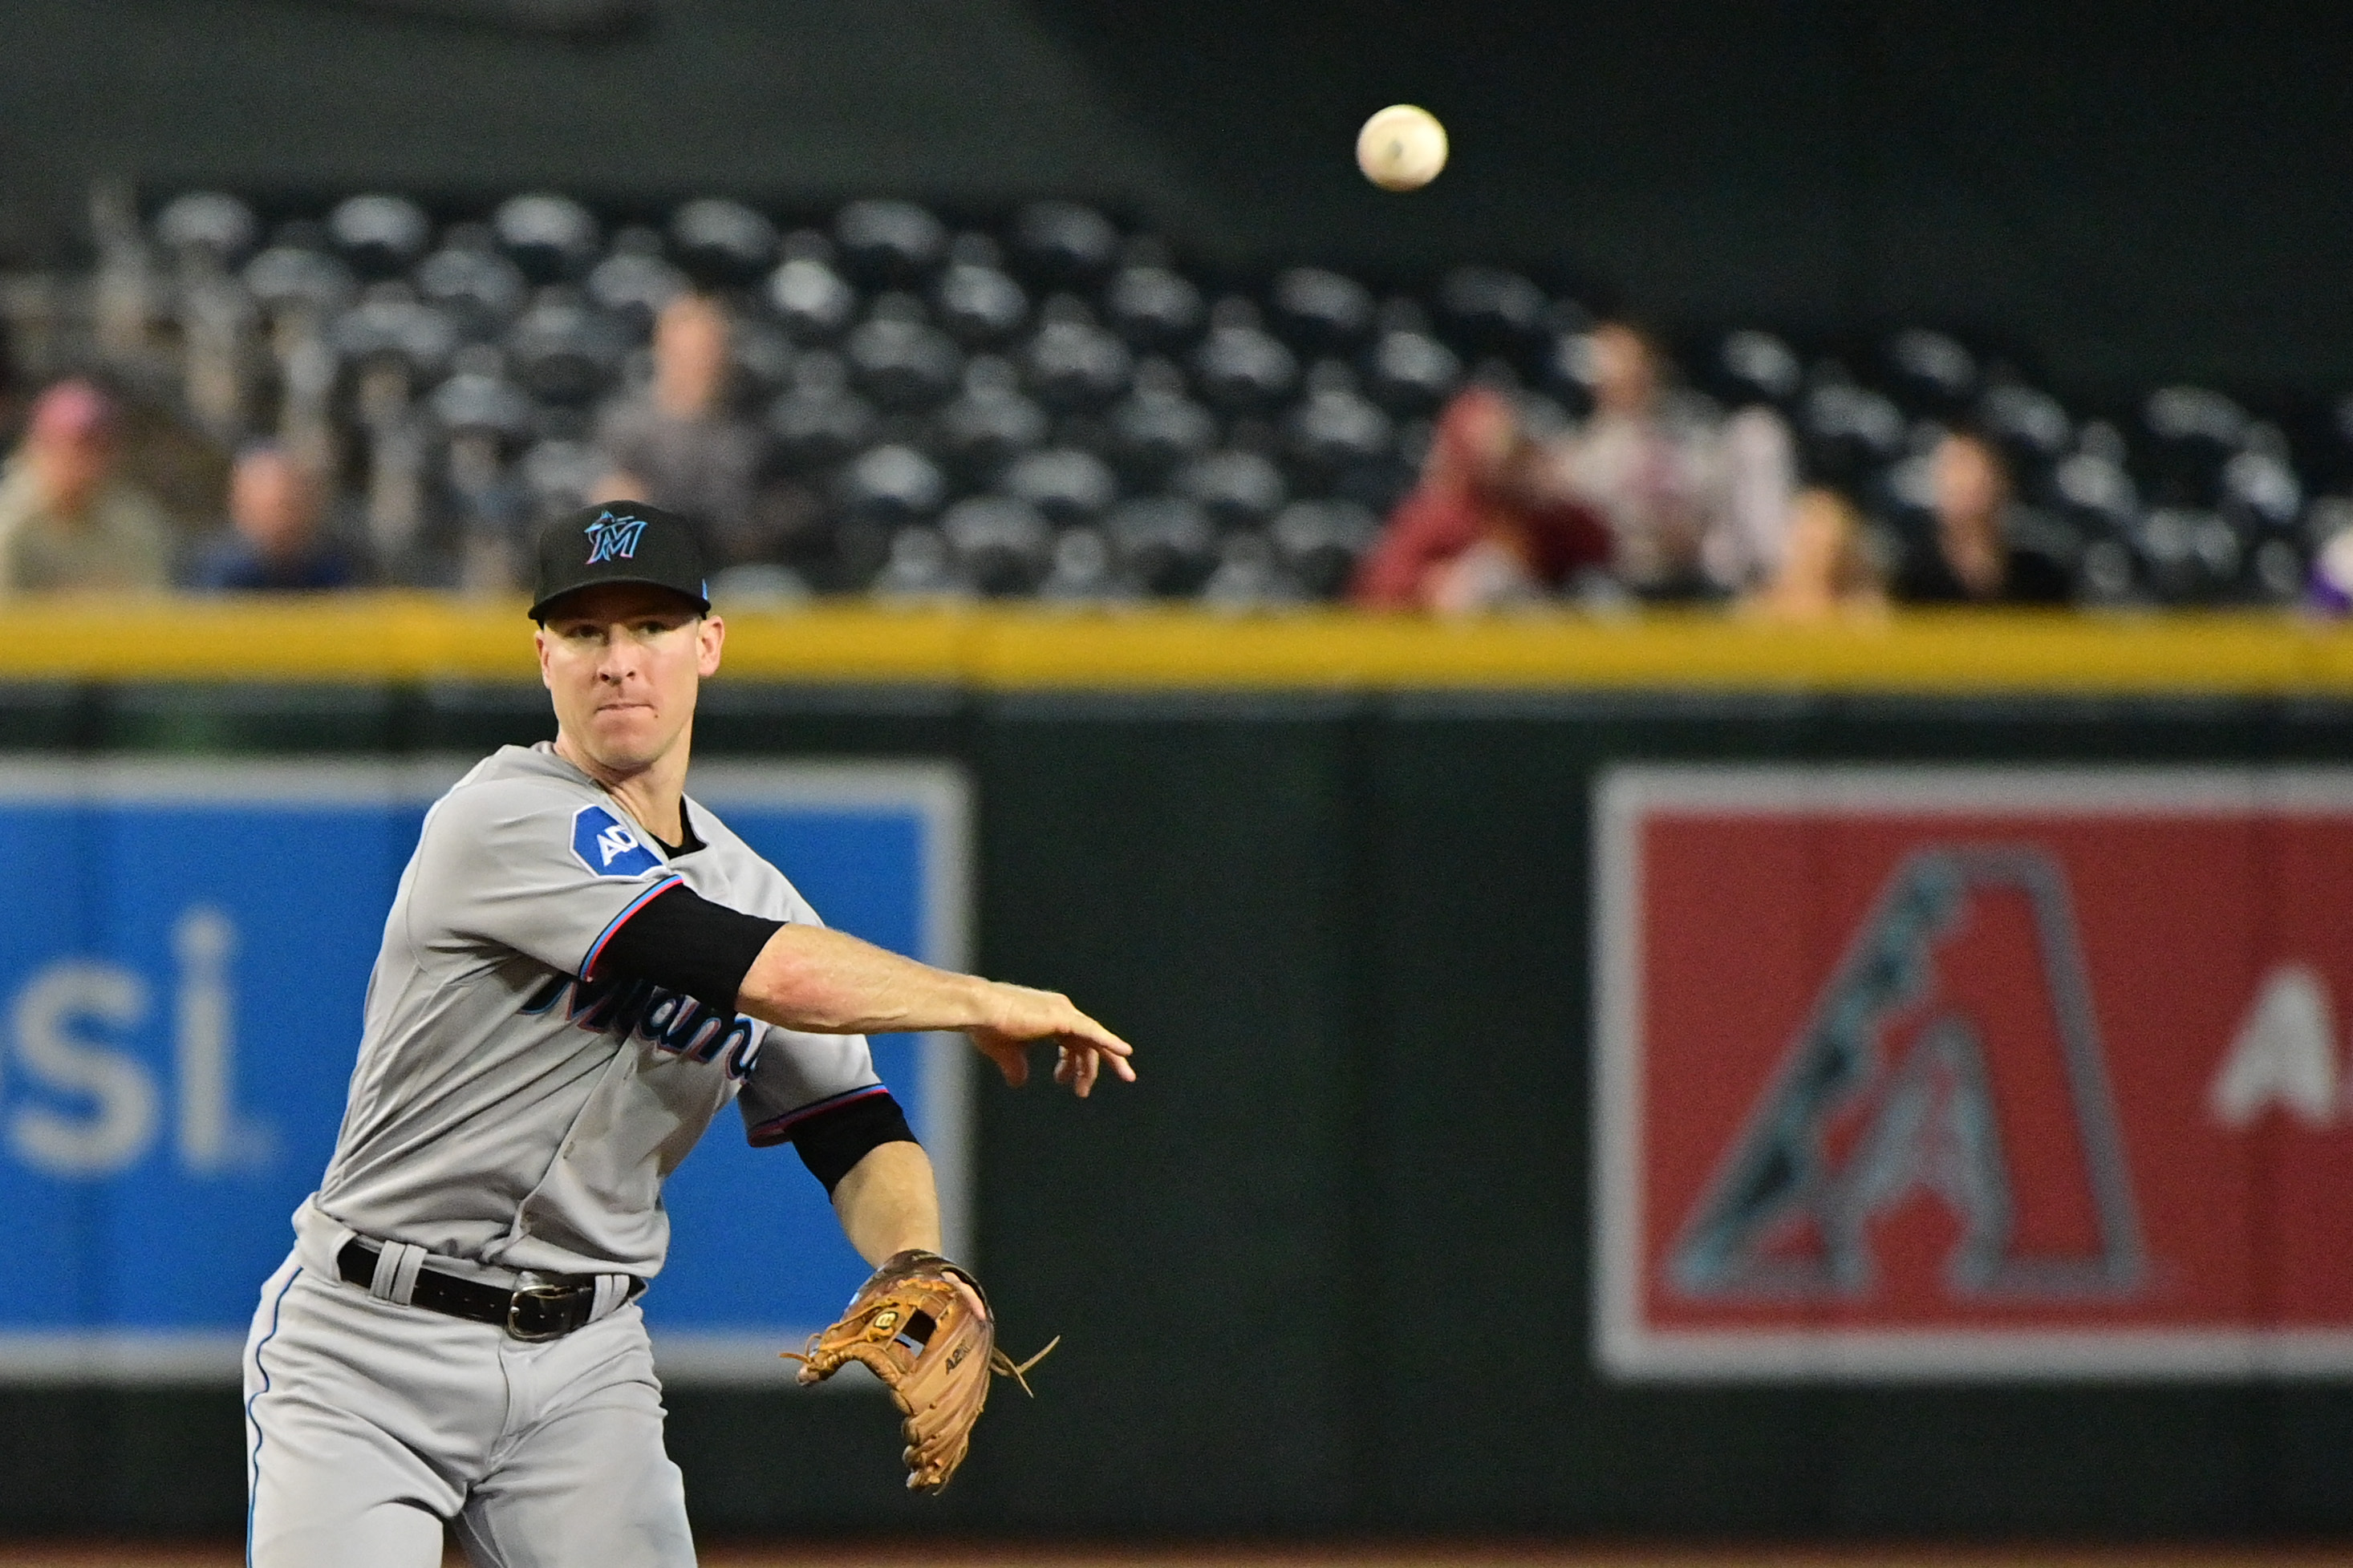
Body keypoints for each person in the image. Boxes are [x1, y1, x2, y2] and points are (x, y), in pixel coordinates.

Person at [243, 502, 1135, 1567]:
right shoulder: (504, 813)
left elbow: (851, 1123)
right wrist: (980, 995)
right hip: (369, 1346)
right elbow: (758, 969)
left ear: (707, 644)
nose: (619, 660)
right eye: (586, 632)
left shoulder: (751, 883)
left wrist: (913, 1251)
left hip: (582, 1366)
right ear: (544, 657)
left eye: (651, 626)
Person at [1351, 385, 1610, 611]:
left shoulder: (1540, 514)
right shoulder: (1439, 513)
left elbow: (1601, 552)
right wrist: (1428, 587)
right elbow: (1378, 596)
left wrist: (1552, 495)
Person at [594, 294, 776, 569]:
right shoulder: (625, 426)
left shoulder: (749, 431)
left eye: (707, 352)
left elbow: (746, 518)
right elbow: (613, 501)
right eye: (687, 353)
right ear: (662, 351)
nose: (698, 363)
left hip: (728, 564)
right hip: (648, 560)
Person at [1548, 322, 1720, 598]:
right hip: (1615, 585)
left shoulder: (1695, 437)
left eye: (1630, 366)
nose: (1622, 378)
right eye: (1610, 369)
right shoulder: (1579, 452)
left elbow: (1714, 508)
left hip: (1692, 577)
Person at [0, 377, 174, 594]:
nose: (83, 462)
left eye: (98, 448)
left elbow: (153, 611)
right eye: (70, 447)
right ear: (36, 448)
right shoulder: (10, 525)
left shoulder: (136, 526)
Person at [1889, 428, 2073, 605]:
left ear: (2002, 482)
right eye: (1953, 473)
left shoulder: (2041, 577)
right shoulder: (1912, 579)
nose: (1964, 484)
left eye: (1975, 473)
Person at [187, 442, 357, 592]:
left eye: (297, 504)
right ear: (243, 507)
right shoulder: (221, 575)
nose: (288, 520)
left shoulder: (328, 570)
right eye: (279, 506)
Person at [1740, 486, 1888, 623]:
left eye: (1831, 548)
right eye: (1811, 545)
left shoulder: (1863, 616)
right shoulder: (1760, 613)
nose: (1820, 558)